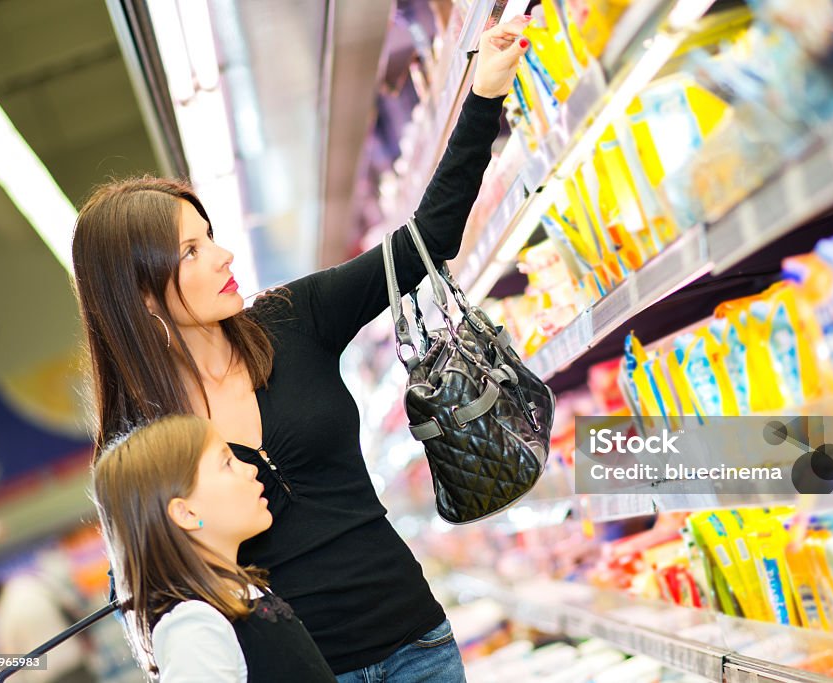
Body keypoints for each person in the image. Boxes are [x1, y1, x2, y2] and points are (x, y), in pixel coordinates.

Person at [70, 17, 532, 682]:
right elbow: (149, 597)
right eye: (191, 251)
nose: (223, 254)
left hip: (418, 645)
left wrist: (485, 91)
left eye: (211, 234)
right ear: (141, 295)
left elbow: (426, 240)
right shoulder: (142, 438)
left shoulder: (292, 319)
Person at [92, 413, 337, 682]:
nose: (251, 469)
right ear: (185, 513)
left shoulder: (241, 591)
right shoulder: (194, 628)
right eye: (228, 463)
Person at [0, 574, 98, 683]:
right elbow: (69, 609)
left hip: (49, 675)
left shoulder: (3, 616)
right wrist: (87, 638)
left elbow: (10, 659)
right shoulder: (29, 584)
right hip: (73, 658)